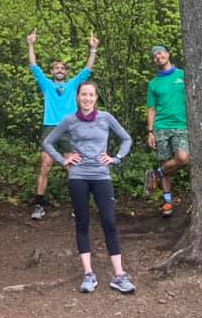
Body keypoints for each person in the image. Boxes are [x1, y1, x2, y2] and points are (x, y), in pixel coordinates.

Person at [43, 80, 136, 294]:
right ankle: (88, 274)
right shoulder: (70, 120)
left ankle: (119, 276)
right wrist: (63, 160)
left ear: (96, 97)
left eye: (91, 95)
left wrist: (116, 158)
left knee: (109, 222)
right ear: (78, 97)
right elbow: (48, 142)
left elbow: (126, 139)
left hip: (102, 175)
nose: (87, 98)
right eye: (83, 94)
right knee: (82, 223)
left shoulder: (106, 118)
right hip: (78, 176)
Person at [28, 28, 98, 220]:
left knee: (72, 167)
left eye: (62, 68)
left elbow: (88, 70)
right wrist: (31, 44)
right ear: (52, 72)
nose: (59, 70)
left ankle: (78, 205)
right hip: (50, 127)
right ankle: (39, 205)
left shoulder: (73, 84)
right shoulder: (47, 85)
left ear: (65, 72)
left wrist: (93, 50)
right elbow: (33, 65)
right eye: (56, 68)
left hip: (70, 127)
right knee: (46, 164)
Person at [144, 45, 189, 217]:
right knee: (165, 162)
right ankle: (168, 202)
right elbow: (152, 109)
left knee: (183, 158)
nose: (158, 56)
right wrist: (150, 131)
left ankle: (156, 173)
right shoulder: (153, 84)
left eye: (161, 52)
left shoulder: (183, 75)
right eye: (155, 55)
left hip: (182, 125)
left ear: (168, 55)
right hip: (161, 127)